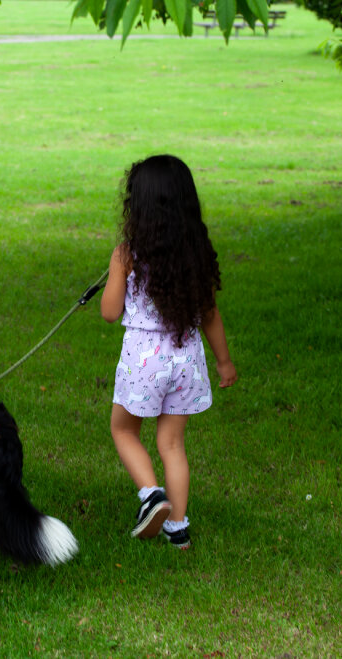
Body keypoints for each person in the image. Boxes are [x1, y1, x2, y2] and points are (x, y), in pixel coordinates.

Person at [100, 154, 238, 550]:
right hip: (186, 359)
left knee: (123, 429)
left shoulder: (125, 254)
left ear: (137, 206)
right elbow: (209, 315)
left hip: (145, 361)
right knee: (172, 444)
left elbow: (110, 313)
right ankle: (178, 527)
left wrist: (116, 270)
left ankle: (151, 495)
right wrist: (224, 362)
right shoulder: (195, 253)